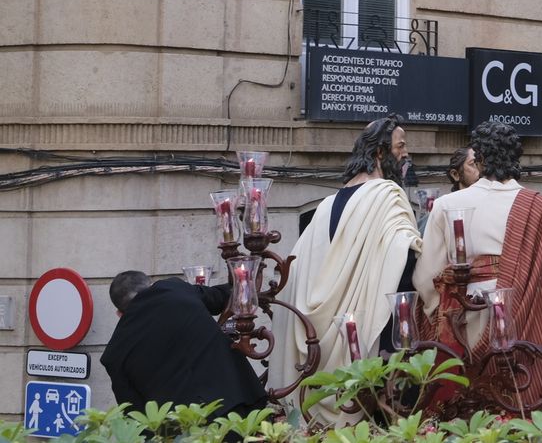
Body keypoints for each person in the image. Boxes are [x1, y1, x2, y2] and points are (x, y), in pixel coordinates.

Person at [414, 120, 542, 396]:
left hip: (465, 320)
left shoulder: (448, 205)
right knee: (519, 406)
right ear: (516, 159)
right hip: (528, 325)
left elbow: (426, 280)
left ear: (479, 159)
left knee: (467, 412)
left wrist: (444, 313)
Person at [269, 114, 422, 424]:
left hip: (317, 349)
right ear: (379, 153)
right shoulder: (387, 195)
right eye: (401, 146)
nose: (406, 154)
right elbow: (403, 262)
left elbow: (296, 274)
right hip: (374, 344)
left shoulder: (325, 206)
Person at [101, 271, 267, 418]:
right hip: (240, 407)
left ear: (119, 313)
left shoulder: (113, 355)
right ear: (150, 286)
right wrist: (243, 276)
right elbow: (220, 297)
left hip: (184, 430)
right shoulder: (173, 288)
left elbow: (135, 417)